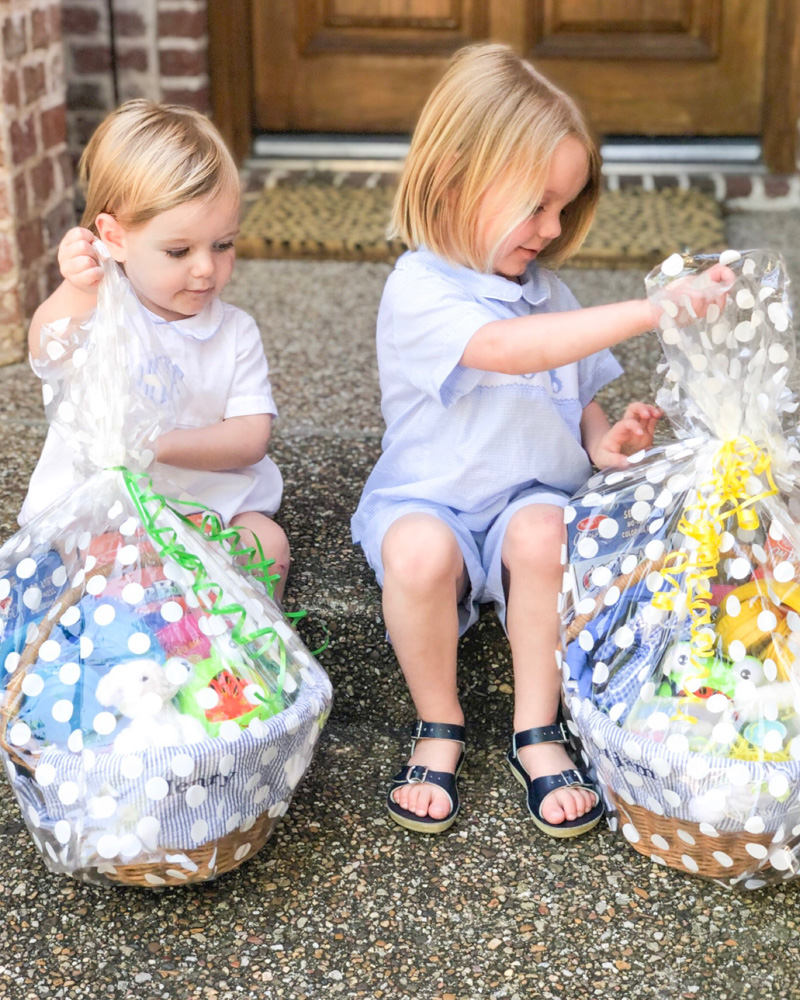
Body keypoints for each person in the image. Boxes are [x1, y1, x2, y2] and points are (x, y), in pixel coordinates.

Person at [351, 43, 733, 837]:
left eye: (563, 207)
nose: (553, 228)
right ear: (456, 178)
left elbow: (574, 390)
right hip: (434, 504)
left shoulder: (547, 292)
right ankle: (438, 723)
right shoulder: (422, 286)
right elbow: (510, 352)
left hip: (529, 502)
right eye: (537, 206)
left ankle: (536, 728)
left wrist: (604, 441)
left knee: (550, 526)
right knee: (417, 555)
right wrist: (653, 308)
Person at [20, 99, 290, 600]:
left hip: (208, 502)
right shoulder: (100, 312)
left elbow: (250, 437)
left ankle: (242, 655)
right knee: (106, 558)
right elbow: (47, 351)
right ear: (114, 237)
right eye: (179, 251)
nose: (206, 268)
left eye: (223, 244)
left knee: (266, 543)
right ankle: (136, 649)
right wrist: (77, 289)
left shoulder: (234, 332)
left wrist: (155, 446)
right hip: (107, 510)